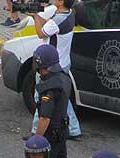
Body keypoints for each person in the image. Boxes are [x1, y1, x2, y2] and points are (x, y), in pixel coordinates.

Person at [30, 0, 81, 140]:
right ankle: (74, 128)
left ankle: (36, 133)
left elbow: (41, 33)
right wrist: (36, 14)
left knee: (41, 96)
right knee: (62, 97)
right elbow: (46, 22)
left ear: (61, 2)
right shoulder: (67, 13)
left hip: (51, 65)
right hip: (63, 62)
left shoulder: (58, 19)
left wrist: (34, 17)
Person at [26, 44, 72, 158]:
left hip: (51, 136)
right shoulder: (64, 77)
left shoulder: (49, 88)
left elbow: (45, 118)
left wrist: (36, 141)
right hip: (62, 131)